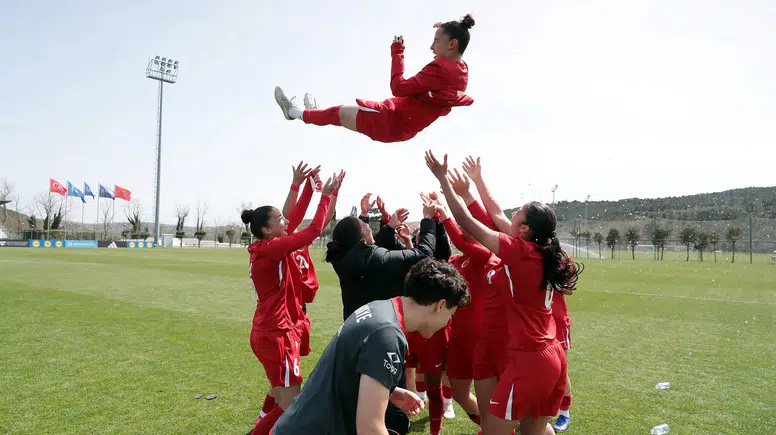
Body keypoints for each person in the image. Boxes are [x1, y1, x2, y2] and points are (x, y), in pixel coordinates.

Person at [425, 150, 583, 435]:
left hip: (529, 357)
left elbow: (468, 222)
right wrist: (475, 183)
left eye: (518, 212)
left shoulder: (519, 252)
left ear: (525, 229)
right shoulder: (538, 250)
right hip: (540, 353)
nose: (511, 214)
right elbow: (496, 214)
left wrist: (443, 180)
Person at [271, 259, 472, 435]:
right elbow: (370, 428)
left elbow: (349, 369)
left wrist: (389, 391)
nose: (448, 322)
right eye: (451, 314)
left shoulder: (380, 309)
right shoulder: (387, 334)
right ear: (440, 305)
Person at [325, 196, 438, 434]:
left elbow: (372, 246)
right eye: (366, 226)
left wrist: (377, 221)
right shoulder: (374, 259)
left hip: (355, 334)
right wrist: (428, 221)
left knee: (363, 398)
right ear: (363, 238)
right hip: (381, 338)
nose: (370, 229)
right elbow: (423, 254)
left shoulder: (342, 258)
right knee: (390, 408)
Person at [273, 15, 475, 143]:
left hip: (389, 120)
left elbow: (398, 87)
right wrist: (444, 30)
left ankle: (293, 113)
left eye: (436, 41)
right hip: (402, 127)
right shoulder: (461, 72)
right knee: (335, 116)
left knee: (336, 114)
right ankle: (312, 114)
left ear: (452, 44)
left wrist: (397, 52)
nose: (432, 47)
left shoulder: (440, 69)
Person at [242, 173, 341, 435]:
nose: (286, 221)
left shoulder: (268, 245)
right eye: (280, 219)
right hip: (278, 333)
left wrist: (307, 187)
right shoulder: (274, 248)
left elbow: (294, 219)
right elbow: (315, 230)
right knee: (293, 406)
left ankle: (261, 422)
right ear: (267, 229)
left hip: (271, 330)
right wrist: (325, 196)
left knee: (281, 395)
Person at [550, 286, 574, 432]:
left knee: (560, 370)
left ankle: (564, 413)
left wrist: (552, 281)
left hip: (557, 321)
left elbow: (569, 289)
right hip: (535, 320)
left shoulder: (562, 264)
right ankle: (546, 409)